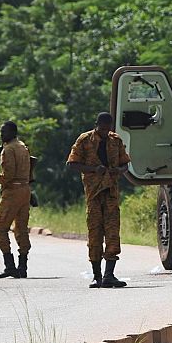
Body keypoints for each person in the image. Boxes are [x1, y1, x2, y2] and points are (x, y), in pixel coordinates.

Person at [66, 112, 131, 288]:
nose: (105, 131)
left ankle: (109, 275)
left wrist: (119, 170)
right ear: (96, 125)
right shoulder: (85, 140)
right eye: (102, 128)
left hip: (111, 193)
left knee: (112, 233)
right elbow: (72, 163)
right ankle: (97, 276)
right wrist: (94, 169)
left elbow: (125, 163)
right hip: (93, 194)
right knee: (95, 234)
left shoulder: (115, 140)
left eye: (107, 128)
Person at [0, 121, 32, 279]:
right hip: (25, 190)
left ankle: (9, 266)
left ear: (12, 132)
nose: (1, 135)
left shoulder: (8, 149)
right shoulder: (22, 146)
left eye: (4, 132)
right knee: (21, 229)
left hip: (12, 193)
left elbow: (8, 175)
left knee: (0, 227)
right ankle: (22, 267)